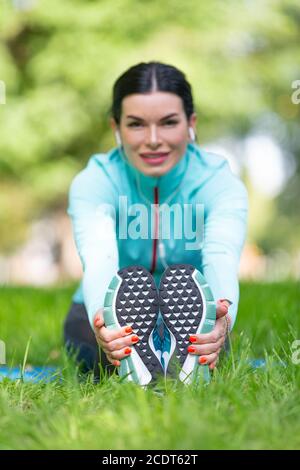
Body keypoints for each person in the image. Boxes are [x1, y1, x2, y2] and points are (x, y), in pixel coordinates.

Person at [64, 61, 248, 385]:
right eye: (136, 124)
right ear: (116, 128)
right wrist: (104, 324)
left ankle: (188, 356)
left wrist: (222, 319)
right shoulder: (94, 182)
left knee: (209, 349)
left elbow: (222, 256)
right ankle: (124, 351)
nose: (152, 140)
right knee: (91, 358)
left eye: (168, 123)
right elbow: (99, 258)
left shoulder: (218, 182)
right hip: (111, 306)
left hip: (189, 308)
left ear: (190, 123)